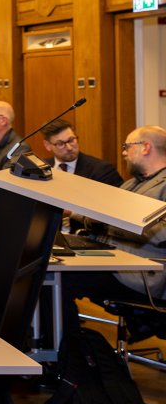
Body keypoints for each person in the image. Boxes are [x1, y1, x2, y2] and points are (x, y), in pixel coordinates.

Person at [61, 126, 166, 333]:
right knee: (49, 269)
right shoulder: (129, 185)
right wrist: (74, 213)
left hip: (142, 274)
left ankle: (71, 356)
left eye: (127, 146)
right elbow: (103, 214)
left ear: (146, 147)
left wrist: (112, 221)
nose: (124, 152)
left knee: (59, 281)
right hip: (109, 259)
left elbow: (161, 233)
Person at [41, 119, 123, 186]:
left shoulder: (102, 170)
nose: (69, 148)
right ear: (47, 145)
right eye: (61, 144)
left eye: (71, 140)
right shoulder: (41, 168)